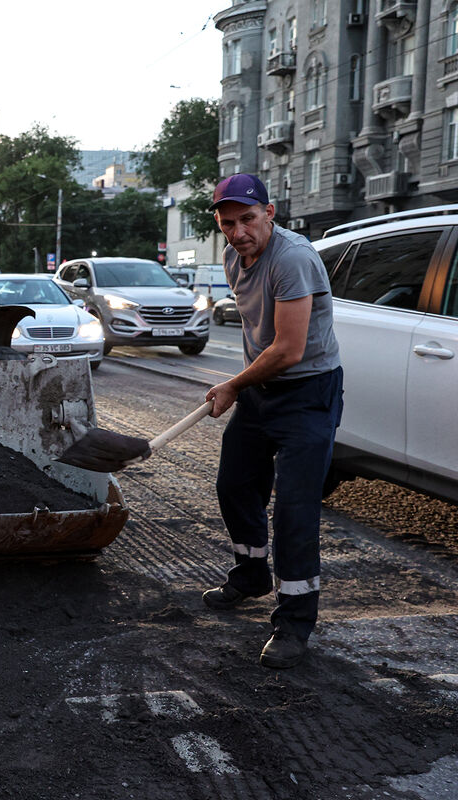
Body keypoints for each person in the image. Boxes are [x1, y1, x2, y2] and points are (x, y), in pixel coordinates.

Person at [202, 174, 343, 670]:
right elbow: (255, 329)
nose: (238, 231)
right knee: (235, 483)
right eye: (228, 223)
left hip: (307, 393)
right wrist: (246, 385)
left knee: (294, 509)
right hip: (262, 392)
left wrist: (234, 384)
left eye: (247, 219)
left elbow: (288, 348)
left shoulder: (294, 259)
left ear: (270, 213)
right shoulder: (232, 256)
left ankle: (294, 624)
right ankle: (250, 575)